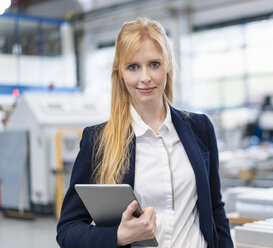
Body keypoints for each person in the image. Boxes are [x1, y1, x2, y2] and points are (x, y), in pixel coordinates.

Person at [56, 18, 233, 248]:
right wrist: (119, 236)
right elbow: (68, 231)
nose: (145, 78)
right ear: (120, 73)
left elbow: (215, 209)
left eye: (154, 64)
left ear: (167, 64)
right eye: (133, 67)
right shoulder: (99, 141)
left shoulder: (199, 128)